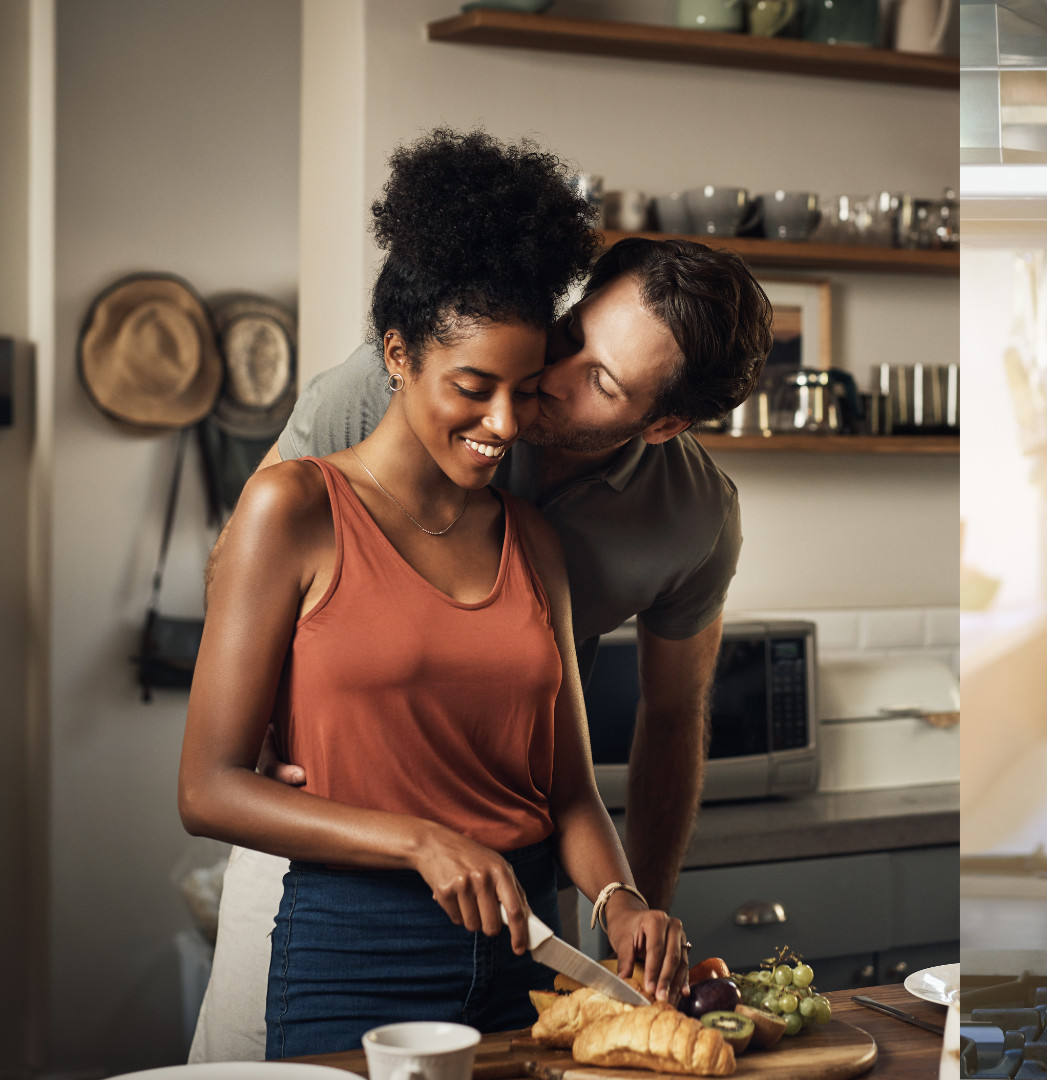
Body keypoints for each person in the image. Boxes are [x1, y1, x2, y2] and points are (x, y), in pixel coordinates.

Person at [186, 131, 771, 1061]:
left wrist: (626, 903)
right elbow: (248, 567)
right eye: (571, 340)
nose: (531, 398)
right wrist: (260, 711)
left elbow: (656, 727)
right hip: (338, 848)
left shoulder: (672, 521)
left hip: (519, 899)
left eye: (597, 381)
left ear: (660, 425)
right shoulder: (381, 391)